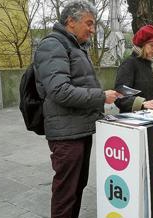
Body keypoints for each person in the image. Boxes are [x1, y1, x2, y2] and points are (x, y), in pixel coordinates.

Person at [33, 1, 120, 217]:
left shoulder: (75, 46)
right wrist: (101, 96)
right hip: (66, 135)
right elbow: (60, 91)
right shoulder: (53, 45)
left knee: (77, 187)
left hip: (79, 129)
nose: (92, 29)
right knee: (65, 193)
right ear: (71, 22)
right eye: (89, 23)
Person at [114, 25, 153, 112]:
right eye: (152, 45)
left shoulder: (150, 63)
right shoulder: (129, 64)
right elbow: (119, 96)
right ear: (142, 45)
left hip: (151, 117)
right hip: (134, 121)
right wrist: (142, 103)